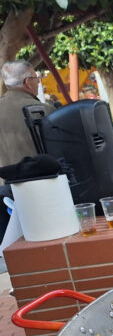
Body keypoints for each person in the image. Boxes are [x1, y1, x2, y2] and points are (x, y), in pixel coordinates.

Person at [0, 60, 55, 240]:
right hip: (40, 193)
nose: (38, 82)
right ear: (27, 82)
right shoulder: (43, 110)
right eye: (36, 78)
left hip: (3, 195)